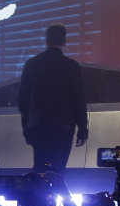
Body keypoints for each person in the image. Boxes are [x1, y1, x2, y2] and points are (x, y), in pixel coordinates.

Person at [18, 23, 89, 174]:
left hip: (39, 125)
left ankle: (39, 196)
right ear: (64, 41)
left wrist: (26, 127)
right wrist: (82, 129)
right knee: (58, 170)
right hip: (64, 127)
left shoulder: (32, 64)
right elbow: (78, 99)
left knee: (39, 168)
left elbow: (23, 100)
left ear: (47, 40)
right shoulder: (71, 66)